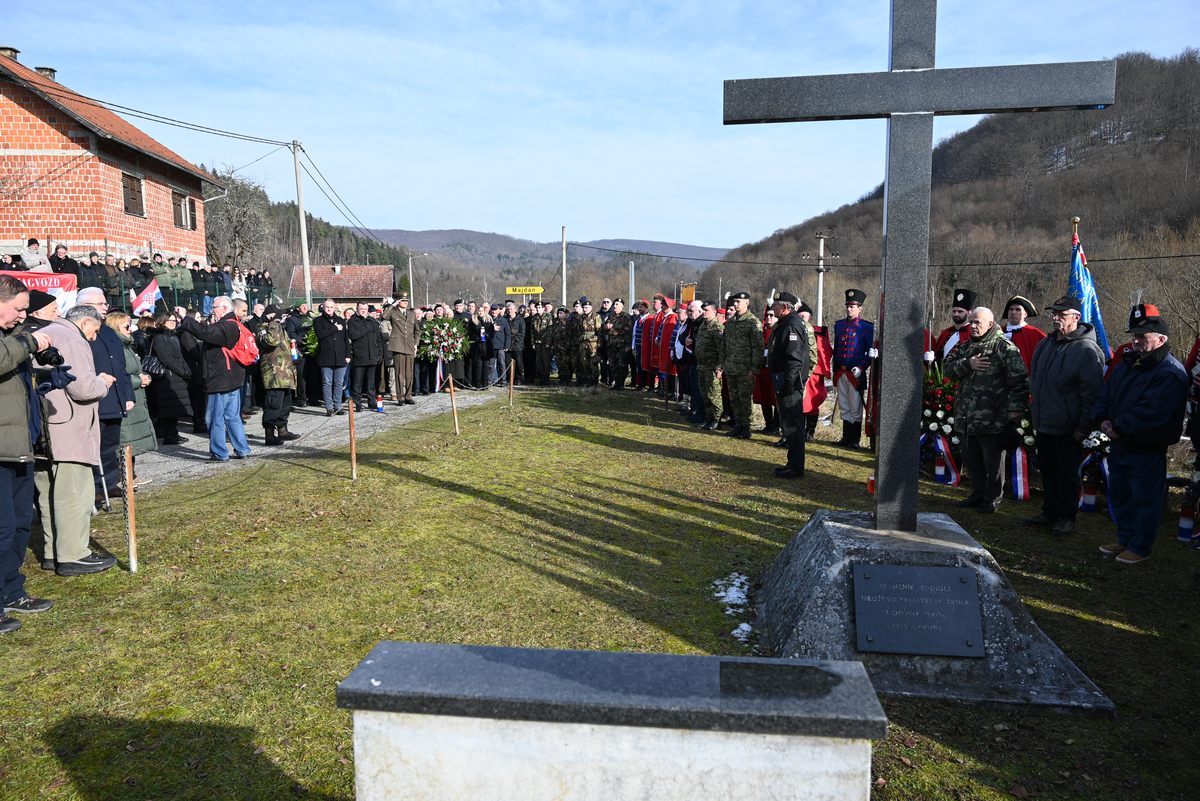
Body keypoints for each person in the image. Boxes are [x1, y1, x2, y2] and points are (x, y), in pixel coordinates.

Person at [1094, 304, 1189, 564]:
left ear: (1161, 339)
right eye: (1134, 336)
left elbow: (1152, 412)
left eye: (1142, 336)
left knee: (1145, 499)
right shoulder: (1128, 363)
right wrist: (1102, 419)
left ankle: (1140, 546)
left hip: (1145, 447)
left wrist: (1117, 427)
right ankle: (1125, 538)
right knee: (1121, 494)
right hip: (1120, 443)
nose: (1135, 341)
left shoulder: (1170, 372)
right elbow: (1106, 393)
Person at [36, 304, 118, 574]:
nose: (94, 337)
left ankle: (53, 552)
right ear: (84, 323)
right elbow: (83, 389)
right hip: (69, 430)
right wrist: (102, 383)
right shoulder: (73, 338)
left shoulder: (46, 333)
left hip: (44, 430)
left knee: (49, 494)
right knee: (74, 495)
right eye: (94, 330)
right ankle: (73, 554)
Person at [0, 276, 55, 630]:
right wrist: (29, 341)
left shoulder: (13, 336)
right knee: (2, 528)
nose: (23, 316)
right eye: (18, 309)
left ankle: (11, 590)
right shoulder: (16, 340)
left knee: (20, 525)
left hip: (19, 446)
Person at [1026, 295, 1104, 534]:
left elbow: (1092, 393)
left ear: (1076, 317)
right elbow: (1036, 380)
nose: (1056, 318)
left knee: (1068, 474)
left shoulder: (1087, 350)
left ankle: (1066, 516)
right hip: (1045, 421)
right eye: (1054, 313)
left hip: (1069, 427)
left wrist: (1084, 425)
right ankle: (1049, 511)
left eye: (1062, 314)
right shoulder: (1045, 344)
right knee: (1049, 470)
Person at [944, 307, 1029, 513]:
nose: (972, 326)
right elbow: (948, 369)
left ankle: (992, 498)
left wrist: (1015, 410)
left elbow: (1019, 381)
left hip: (993, 417)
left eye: (977, 323)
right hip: (967, 417)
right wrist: (968, 364)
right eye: (971, 322)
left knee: (993, 462)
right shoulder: (965, 347)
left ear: (990, 324)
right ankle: (977, 493)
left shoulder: (1004, 347)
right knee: (972, 460)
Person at [76, 288, 134, 505]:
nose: (105, 307)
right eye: (100, 304)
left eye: (105, 303)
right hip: (94, 398)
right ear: (85, 306)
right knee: (93, 447)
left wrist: (127, 395)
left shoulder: (108, 332)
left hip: (114, 398)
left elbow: (120, 366)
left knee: (110, 445)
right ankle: (94, 488)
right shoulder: (79, 333)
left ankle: (109, 484)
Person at [177, 296, 252, 460]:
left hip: (220, 380)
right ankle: (242, 449)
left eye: (215, 307)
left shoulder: (227, 326)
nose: (212, 310)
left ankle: (219, 453)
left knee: (214, 418)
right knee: (233, 417)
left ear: (224, 309)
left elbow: (205, 332)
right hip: (231, 379)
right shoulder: (232, 324)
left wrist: (185, 318)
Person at [767, 292, 812, 479]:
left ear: (785, 307)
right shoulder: (785, 323)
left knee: (793, 425)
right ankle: (792, 463)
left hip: (790, 384)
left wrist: (788, 384)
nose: (772, 308)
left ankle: (795, 467)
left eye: (776, 305)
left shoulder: (792, 325)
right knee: (789, 424)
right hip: (784, 381)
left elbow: (794, 360)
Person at [832, 288, 874, 448]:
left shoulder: (866, 328)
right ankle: (846, 437)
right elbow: (837, 348)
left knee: (855, 405)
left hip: (855, 373)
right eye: (847, 306)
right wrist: (835, 368)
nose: (849, 309)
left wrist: (861, 368)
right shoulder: (839, 325)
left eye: (852, 306)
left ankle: (855, 440)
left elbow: (870, 353)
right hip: (841, 371)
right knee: (844, 404)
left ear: (860, 308)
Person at [143, 313, 192, 445]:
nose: (172, 322)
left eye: (174, 320)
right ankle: (169, 435)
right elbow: (166, 359)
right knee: (168, 407)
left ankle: (173, 433)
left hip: (176, 376)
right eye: (169, 320)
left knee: (174, 407)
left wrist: (186, 371)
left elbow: (179, 357)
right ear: (162, 321)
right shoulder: (159, 338)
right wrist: (182, 371)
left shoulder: (173, 337)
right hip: (166, 376)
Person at [719, 291, 762, 439]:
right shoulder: (731, 322)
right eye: (735, 301)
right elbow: (724, 345)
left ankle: (746, 427)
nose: (735, 304)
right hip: (731, 367)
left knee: (745, 399)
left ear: (747, 303)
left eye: (738, 302)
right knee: (734, 398)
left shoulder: (753, 322)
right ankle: (738, 425)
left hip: (745, 369)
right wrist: (723, 364)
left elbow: (758, 348)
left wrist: (754, 369)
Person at [256, 305, 300, 446]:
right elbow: (272, 341)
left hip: (285, 374)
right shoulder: (263, 327)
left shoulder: (279, 328)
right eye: (280, 315)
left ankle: (282, 430)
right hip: (273, 375)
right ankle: (269, 434)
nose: (283, 318)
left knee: (285, 404)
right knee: (273, 405)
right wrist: (274, 323)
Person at [313, 299, 351, 415]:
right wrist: (335, 328)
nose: (329, 309)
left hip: (340, 356)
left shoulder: (340, 320)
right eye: (327, 307)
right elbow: (320, 335)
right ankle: (329, 407)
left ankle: (338, 406)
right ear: (323, 308)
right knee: (327, 382)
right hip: (326, 357)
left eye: (331, 307)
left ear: (335, 308)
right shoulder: (318, 321)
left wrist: (348, 354)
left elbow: (345, 339)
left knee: (339, 383)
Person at [348, 302, 384, 410]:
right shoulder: (352, 320)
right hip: (359, 356)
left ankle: (371, 401)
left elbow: (378, 339)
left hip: (372, 355)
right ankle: (358, 403)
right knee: (357, 383)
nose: (363, 311)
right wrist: (367, 329)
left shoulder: (372, 321)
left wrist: (380, 353)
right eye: (361, 308)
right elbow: (353, 335)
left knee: (371, 383)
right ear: (357, 309)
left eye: (365, 309)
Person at [930, 288, 976, 363]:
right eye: (954, 311)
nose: (956, 314)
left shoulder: (972, 333)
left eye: (960, 311)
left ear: (969, 313)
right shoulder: (945, 333)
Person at [1003, 295, 1047, 373]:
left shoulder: (1036, 334)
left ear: (1025, 314)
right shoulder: (999, 331)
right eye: (1011, 309)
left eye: (1018, 310)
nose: (1013, 312)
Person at [754, 305, 780, 436]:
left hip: (775, 370)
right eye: (767, 315)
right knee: (765, 398)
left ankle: (776, 425)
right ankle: (768, 424)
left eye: (772, 315)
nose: (769, 318)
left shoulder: (780, 332)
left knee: (776, 399)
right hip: (762, 370)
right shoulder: (761, 332)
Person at [576, 297, 602, 386]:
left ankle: (595, 381)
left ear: (591, 308)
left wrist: (599, 343)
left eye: (587, 307)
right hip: (583, 343)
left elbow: (599, 331)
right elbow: (579, 330)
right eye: (584, 307)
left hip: (593, 343)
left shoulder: (596, 316)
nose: (585, 309)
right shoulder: (581, 317)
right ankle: (587, 380)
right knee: (584, 362)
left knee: (593, 362)